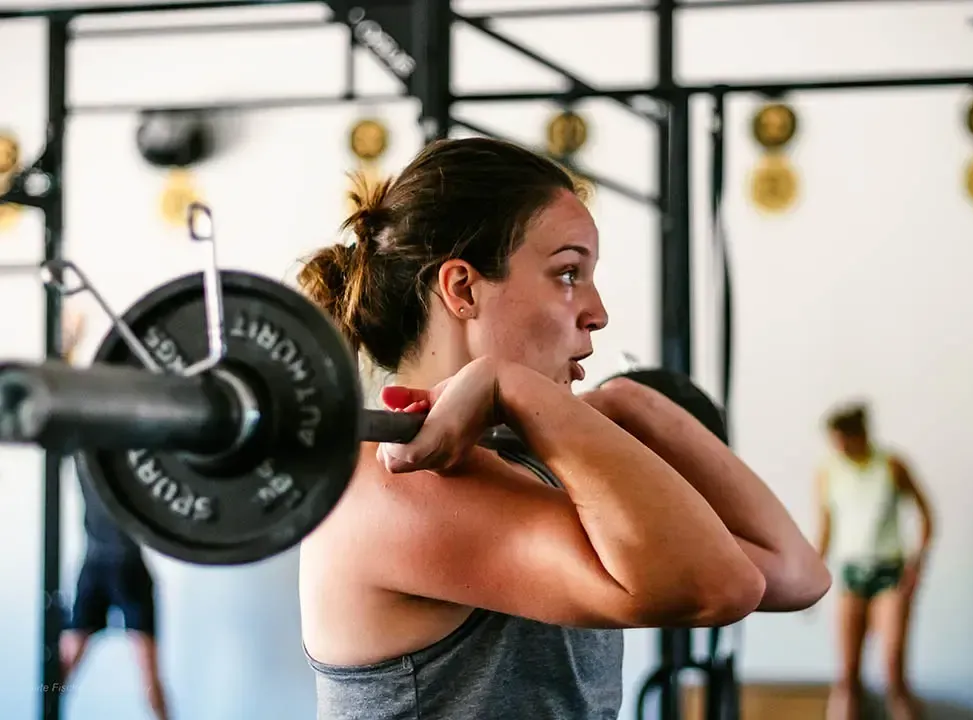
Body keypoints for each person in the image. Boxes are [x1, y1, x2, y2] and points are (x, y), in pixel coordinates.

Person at [296, 137, 832, 720]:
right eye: (569, 272)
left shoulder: (533, 457)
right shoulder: (396, 480)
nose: (598, 311)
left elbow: (797, 573)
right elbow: (720, 587)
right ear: (463, 289)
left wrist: (631, 405)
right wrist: (514, 385)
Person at [59, 308, 171, 720]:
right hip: (98, 563)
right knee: (62, 669)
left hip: (121, 564)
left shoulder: (129, 443)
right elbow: (60, 392)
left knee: (149, 679)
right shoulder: (85, 437)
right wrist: (68, 343)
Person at [815, 402, 935, 720]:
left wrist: (916, 564)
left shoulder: (892, 466)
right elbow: (825, 529)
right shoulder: (828, 473)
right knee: (846, 676)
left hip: (889, 573)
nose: (838, 446)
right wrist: (812, 576)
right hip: (851, 573)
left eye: (843, 439)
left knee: (893, 671)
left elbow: (926, 516)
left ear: (860, 435)